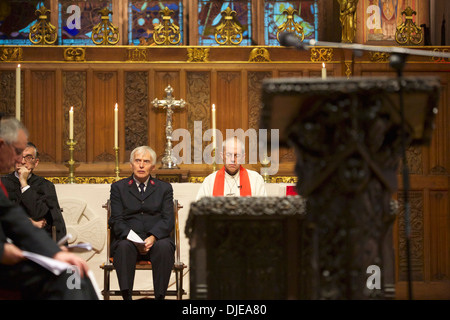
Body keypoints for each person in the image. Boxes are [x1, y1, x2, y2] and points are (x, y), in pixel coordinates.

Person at [0, 117, 98, 299]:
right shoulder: (4, 182)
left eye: (25, 155)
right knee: (64, 280)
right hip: (10, 253)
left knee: (75, 273)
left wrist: (58, 252)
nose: (19, 160)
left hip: (28, 248)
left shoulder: (44, 185)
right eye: (18, 152)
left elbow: (16, 217)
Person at [109, 145, 175, 300]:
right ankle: (127, 297)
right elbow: (116, 220)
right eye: (137, 161)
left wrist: (152, 237)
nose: (141, 165)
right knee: (123, 247)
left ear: (152, 166)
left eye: (146, 161)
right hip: (128, 240)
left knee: (164, 247)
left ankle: (160, 297)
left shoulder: (164, 188)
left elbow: (168, 219)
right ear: (131, 164)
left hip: (156, 240)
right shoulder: (118, 187)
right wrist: (133, 239)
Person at [1, 142, 67, 242]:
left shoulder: (45, 185)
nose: (22, 161)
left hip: (38, 241)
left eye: (28, 157)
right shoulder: (3, 183)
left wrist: (24, 183)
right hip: (10, 241)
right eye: (19, 156)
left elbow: (41, 214)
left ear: (36, 162)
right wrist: (29, 222)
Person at [196, 137, 267, 200]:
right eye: (228, 155)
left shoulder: (255, 179)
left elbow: (263, 209)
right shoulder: (210, 181)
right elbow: (200, 210)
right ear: (222, 156)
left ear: (243, 157)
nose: (233, 159)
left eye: (237, 155)